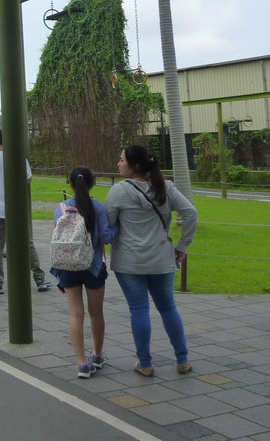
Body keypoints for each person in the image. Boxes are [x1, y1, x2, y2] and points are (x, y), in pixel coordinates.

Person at [106, 144, 198, 377]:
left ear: (134, 165)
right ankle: (182, 360)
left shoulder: (118, 191)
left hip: (129, 262)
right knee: (168, 307)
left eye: (122, 160)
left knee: (139, 310)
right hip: (161, 258)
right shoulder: (165, 187)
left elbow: (109, 225)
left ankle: (145, 363)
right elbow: (191, 213)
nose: (118, 164)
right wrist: (183, 246)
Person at [50, 166, 116, 379]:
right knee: (96, 312)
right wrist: (118, 228)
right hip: (93, 266)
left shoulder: (61, 208)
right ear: (92, 184)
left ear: (70, 184)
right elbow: (105, 237)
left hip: (67, 266)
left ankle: (82, 363)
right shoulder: (97, 207)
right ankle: (97, 355)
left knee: (75, 314)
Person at [0, 130, 52, 294]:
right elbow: (29, 178)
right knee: (28, 244)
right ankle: (39, 278)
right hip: (17, 210)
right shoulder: (20, 158)